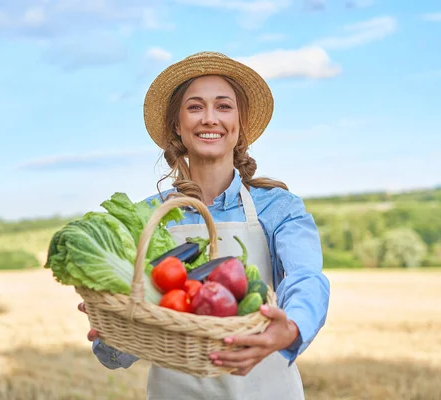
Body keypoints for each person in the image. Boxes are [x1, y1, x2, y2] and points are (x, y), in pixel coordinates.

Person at [77, 51, 330, 400]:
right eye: (195, 107)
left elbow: (307, 278)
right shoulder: (148, 217)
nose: (209, 118)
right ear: (177, 127)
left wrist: (290, 328)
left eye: (223, 107)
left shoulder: (278, 207)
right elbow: (120, 347)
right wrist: (115, 325)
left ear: (239, 125)